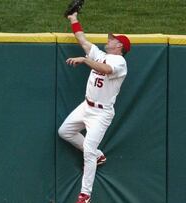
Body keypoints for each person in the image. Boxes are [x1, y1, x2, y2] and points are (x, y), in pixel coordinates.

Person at [58, 12, 131, 203]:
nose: (109, 40)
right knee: (64, 132)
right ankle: (98, 157)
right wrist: (73, 19)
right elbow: (82, 40)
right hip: (86, 106)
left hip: (101, 113)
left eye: (113, 39)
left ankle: (85, 195)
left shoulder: (120, 62)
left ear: (120, 46)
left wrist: (84, 60)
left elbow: (105, 70)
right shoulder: (100, 54)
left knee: (88, 149)